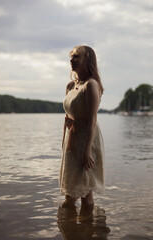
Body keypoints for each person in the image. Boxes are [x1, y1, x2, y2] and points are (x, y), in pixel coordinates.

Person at [59, 45, 105, 208]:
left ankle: (87, 229)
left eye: (76, 56)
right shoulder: (70, 86)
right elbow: (67, 117)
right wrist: (64, 144)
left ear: (88, 60)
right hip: (72, 139)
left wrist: (86, 152)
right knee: (70, 190)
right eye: (71, 56)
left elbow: (92, 120)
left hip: (87, 139)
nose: (72, 60)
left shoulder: (91, 85)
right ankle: (71, 226)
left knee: (85, 191)